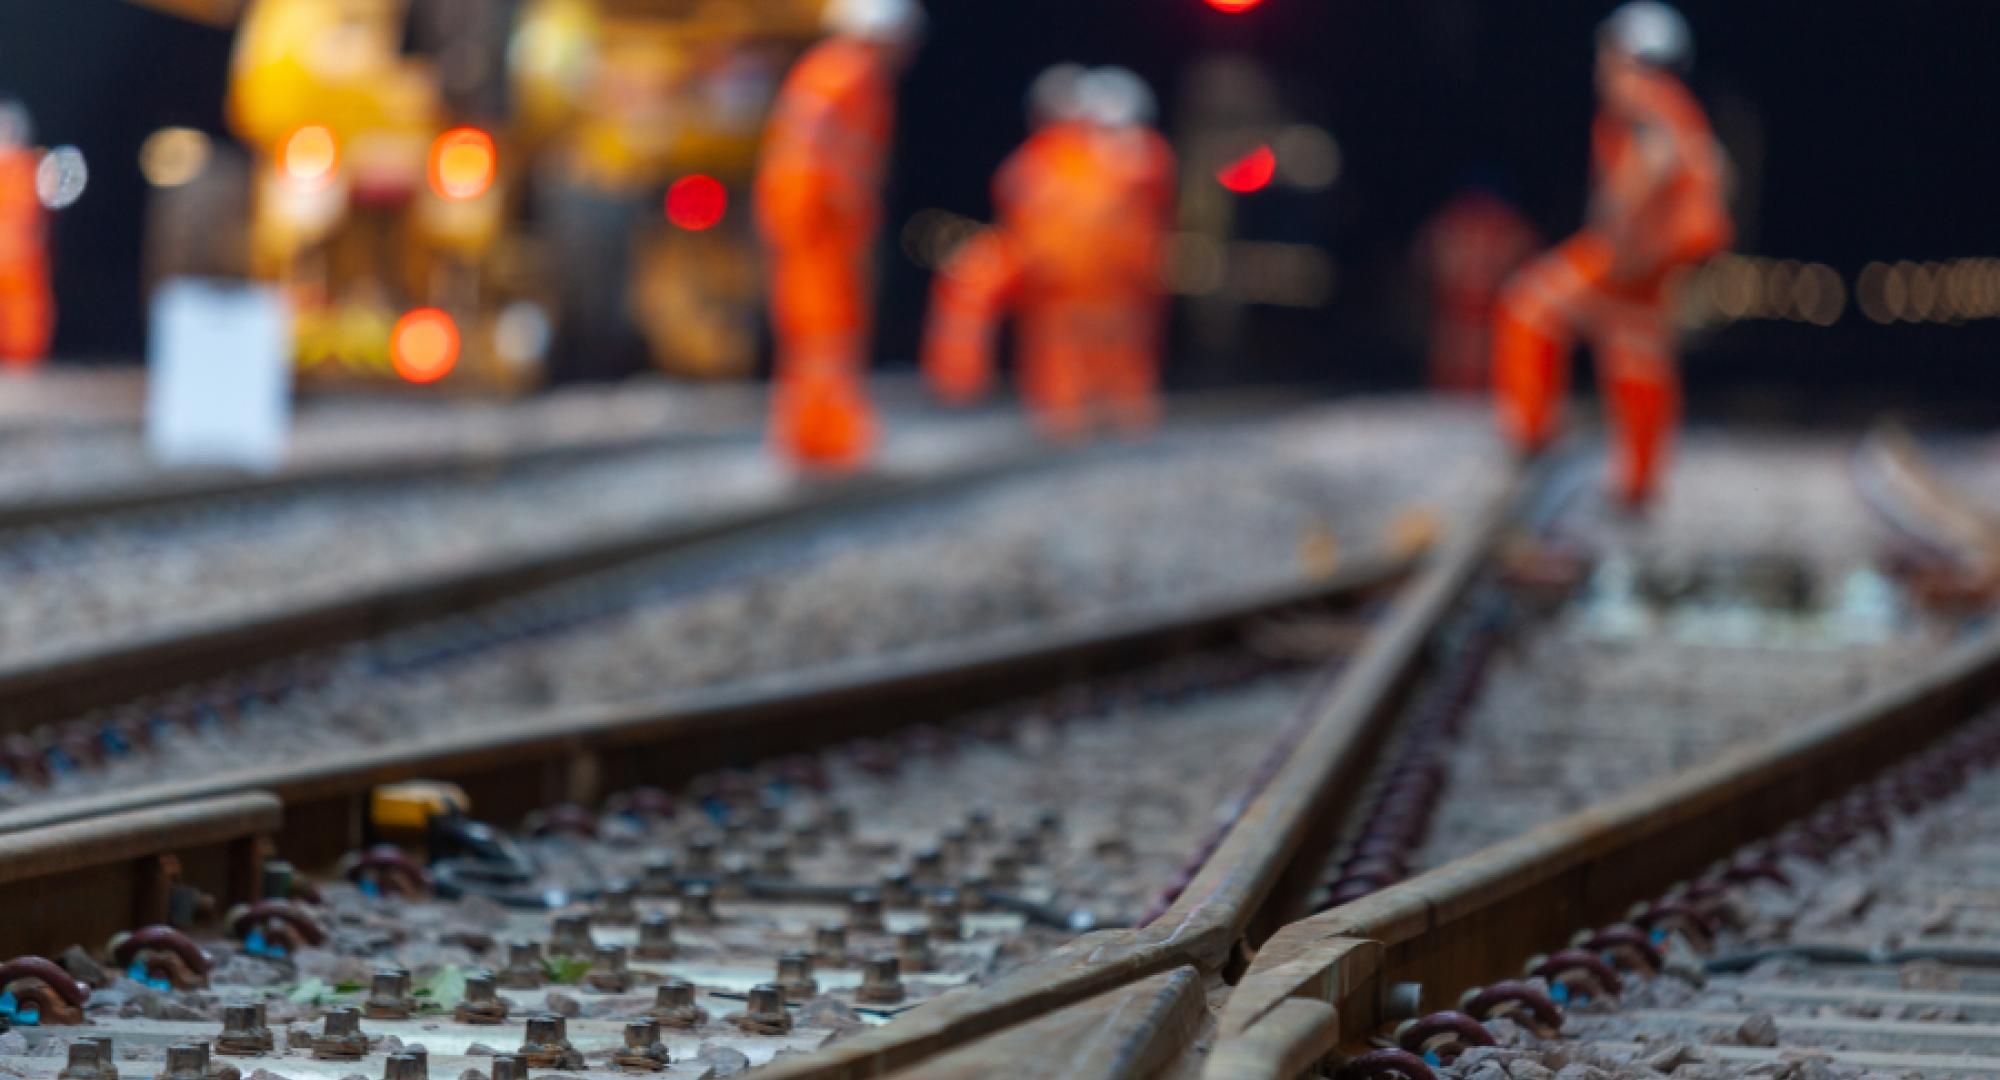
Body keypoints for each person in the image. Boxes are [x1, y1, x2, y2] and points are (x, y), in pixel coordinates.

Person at [1490, 2, 1732, 507]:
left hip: (1627, 254)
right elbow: (1716, 173)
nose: (1602, 65)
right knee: (1636, 353)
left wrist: (1618, 214)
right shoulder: (1681, 107)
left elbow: (1657, 160)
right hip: (1655, 262)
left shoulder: (1644, 97)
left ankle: (1532, 435)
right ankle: (1639, 484)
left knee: (1529, 307)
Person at [922, 67, 1175, 437]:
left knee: (1109, 354)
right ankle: (967, 388)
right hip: (1063, 276)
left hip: (1104, 280)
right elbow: (1016, 194)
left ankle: (1109, 416)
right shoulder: (1062, 155)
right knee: (1066, 352)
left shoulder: (1129, 156)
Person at [754, 0, 924, 470]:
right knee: (827, 331)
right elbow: (826, 160)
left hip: (814, 224)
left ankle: (815, 435)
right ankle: (827, 437)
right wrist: (842, 217)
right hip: (819, 227)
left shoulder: (833, 73)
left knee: (816, 334)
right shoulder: (846, 75)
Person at [1415, 184, 1537, 393]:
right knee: (1453, 359)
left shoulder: (1510, 227)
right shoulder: (1446, 224)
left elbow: (1529, 264)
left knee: (1490, 357)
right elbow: (1424, 259)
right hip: (1453, 314)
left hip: (1493, 315)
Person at [0, 101, 51, 368]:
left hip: (20, 263)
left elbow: (44, 216)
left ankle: (23, 366)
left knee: (23, 319)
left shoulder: (32, 168)